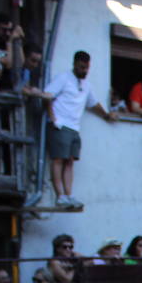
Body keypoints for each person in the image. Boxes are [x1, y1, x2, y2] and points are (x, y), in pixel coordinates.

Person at [45, 50, 119, 208]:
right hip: (60, 125)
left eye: (86, 68)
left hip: (74, 128)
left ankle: (69, 195)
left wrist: (106, 115)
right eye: (81, 67)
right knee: (58, 160)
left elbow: (93, 103)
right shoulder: (63, 78)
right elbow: (47, 96)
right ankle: (60, 197)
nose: (84, 71)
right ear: (74, 64)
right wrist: (53, 119)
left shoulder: (86, 85)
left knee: (70, 161)